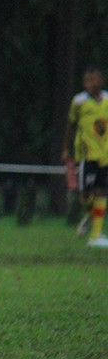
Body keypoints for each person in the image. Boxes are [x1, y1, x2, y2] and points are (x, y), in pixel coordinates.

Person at [61, 65, 108, 247]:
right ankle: (90, 215)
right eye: (87, 80)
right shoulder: (79, 102)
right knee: (86, 195)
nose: (90, 83)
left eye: (93, 79)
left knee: (102, 191)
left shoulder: (107, 100)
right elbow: (70, 126)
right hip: (85, 155)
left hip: (104, 155)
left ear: (101, 80)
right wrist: (65, 149)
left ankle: (95, 236)